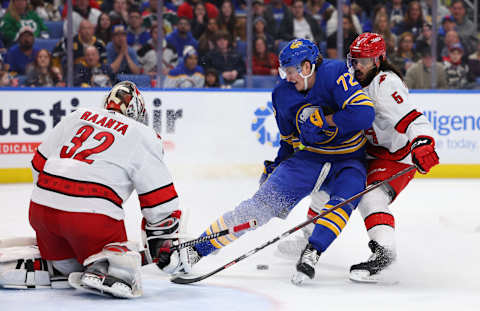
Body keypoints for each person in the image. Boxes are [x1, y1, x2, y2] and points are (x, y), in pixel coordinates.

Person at [186, 38, 375, 285]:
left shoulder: (335, 72)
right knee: (260, 206)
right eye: (284, 71)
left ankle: (313, 251)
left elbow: (364, 114)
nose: (287, 77)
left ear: (307, 67)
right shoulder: (281, 94)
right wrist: (277, 165)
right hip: (309, 160)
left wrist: (325, 120)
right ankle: (198, 248)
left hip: (349, 160)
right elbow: (288, 142)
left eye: (291, 71)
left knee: (345, 199)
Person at [0, 81, 190, 298]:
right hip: (91, 221)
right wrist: (163, 242)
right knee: (124, 257)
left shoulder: (77, 115)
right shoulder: (143, 134)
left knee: (69, 265)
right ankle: (109, 266)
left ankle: (56, 266)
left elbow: (37, 165)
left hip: (41, 213)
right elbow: (160, 201)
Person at [277, 33, 440, 283]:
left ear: (379, 60)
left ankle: (385, 254)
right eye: (355, 60)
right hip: (365, 151)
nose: (359, 66)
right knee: (327, 182)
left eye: (366, 61)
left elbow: (413, 119)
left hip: (395, 156)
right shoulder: (348, 77)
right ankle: (309, 235)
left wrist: (423, 143)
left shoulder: (386, 84)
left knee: (371, 196)